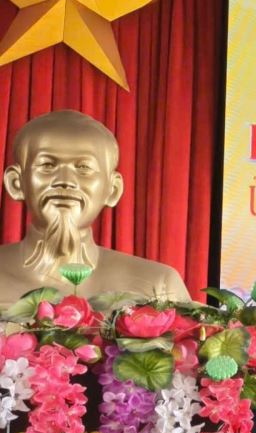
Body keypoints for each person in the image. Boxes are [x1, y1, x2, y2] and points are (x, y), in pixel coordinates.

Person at [0, 110, 189, 301]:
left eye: (83, 168)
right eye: (47, 165)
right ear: (16, 183)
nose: (65, 181)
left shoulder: (158, 285)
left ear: (112, 189)